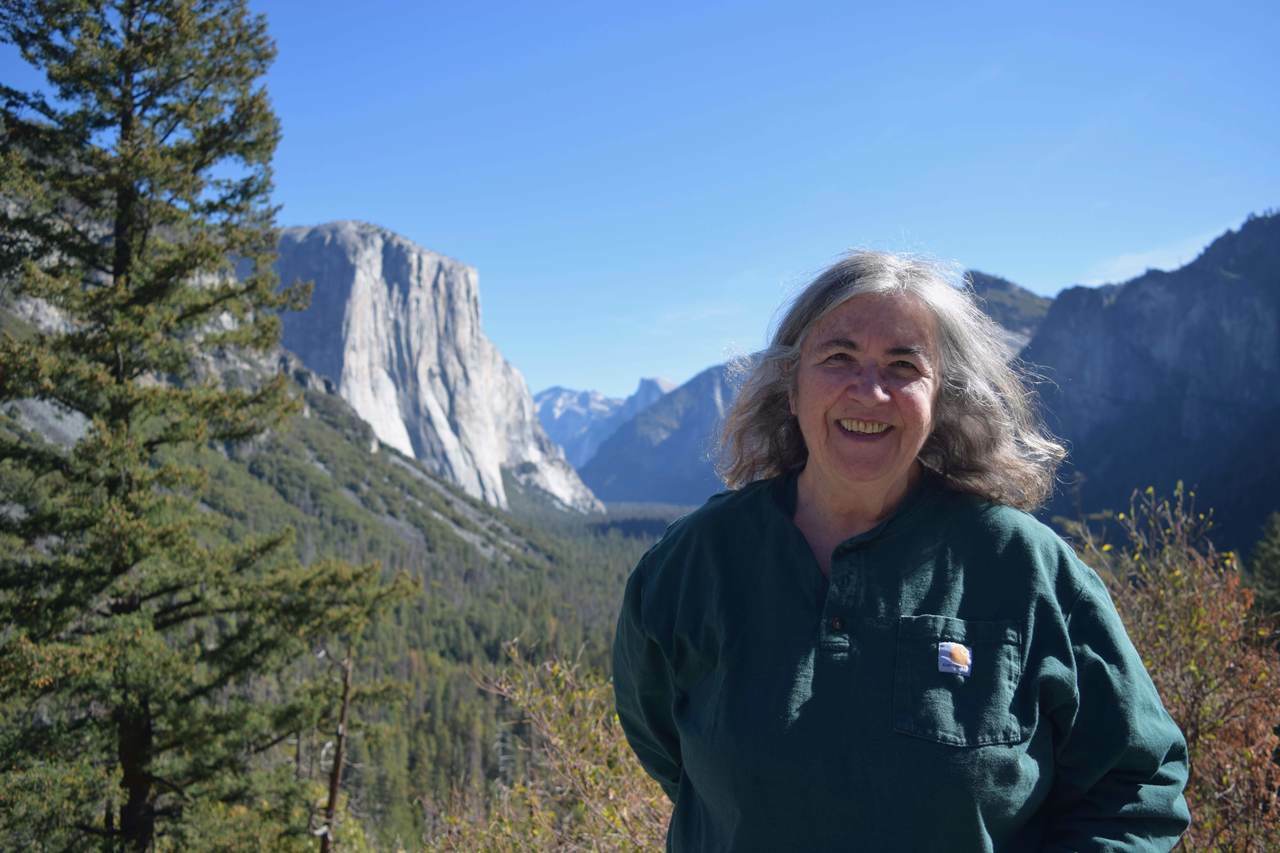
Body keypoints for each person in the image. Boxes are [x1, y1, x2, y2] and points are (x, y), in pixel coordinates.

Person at [612, 251, 1190, 851]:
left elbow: (1138, 782)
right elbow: (666, 747)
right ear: (791, 387)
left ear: (942, 398)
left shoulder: (1024, 568)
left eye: (903, 365)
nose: (870, 391)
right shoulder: (692, 565)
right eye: (838, 358)